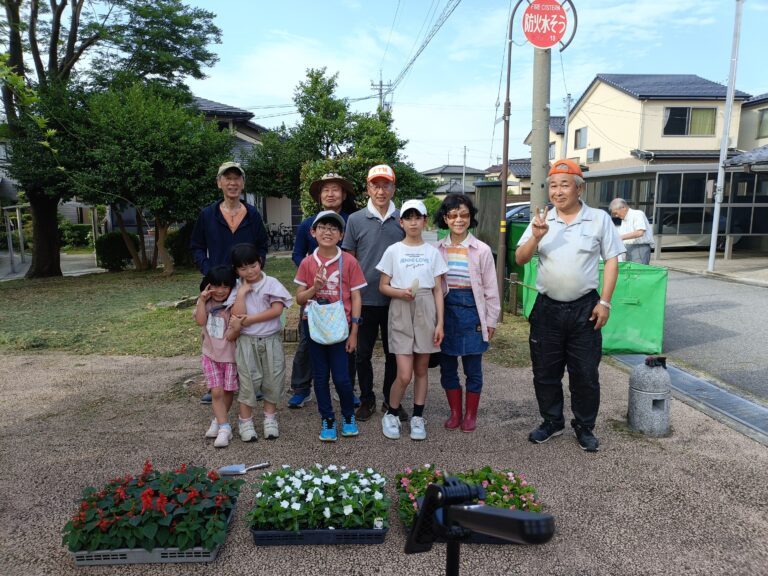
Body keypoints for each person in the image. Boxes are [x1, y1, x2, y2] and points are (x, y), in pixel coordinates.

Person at [515, 159, 625, 453]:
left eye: (564, 185)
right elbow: (521, 258)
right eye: (553, 185)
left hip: (585, 308)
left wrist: (605, 301)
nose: (558, 191)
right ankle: (552, 421)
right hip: (547, 308)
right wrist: (536, 237)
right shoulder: (541, 219)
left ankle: (584, 426)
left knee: (585, 372)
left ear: (579, 188)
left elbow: (612, 259)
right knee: (544, 371)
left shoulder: (599, 219)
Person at [190, 161, 269, 404]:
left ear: (243, 184)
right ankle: (215, 383)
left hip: (246, 285)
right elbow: (197, 246)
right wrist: (209, 271)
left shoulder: (253, 214)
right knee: (214, 333)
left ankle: (248, 382)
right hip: (217, 287)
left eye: (237, 178)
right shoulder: (208, 214)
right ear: (219, 183)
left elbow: (263, 247)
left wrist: (253, 273)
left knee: (245, 330)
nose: (232, 183)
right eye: (227, 178)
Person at [377, 199, 447, 441]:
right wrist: (401, 293)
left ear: (425, 221)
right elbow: (383, 286)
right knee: (404, 373)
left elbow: (438, 289)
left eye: (418, 217)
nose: (413, 222)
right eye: (409, 217)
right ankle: (392, 413)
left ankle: (418, 416)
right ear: (402, 222)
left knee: (421, 369)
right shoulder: (393, 251)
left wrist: (440, 323)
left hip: (427, 306)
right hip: (400, 307)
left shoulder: (432, 252)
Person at [295, 211, 367, 441]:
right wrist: (315, 287)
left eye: (334, 228)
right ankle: (327, 418)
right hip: (314, 326)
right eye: (323, 227)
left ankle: (348, 415)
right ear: (313, 232)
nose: (328, 232)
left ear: (341, 235)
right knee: (320, 376)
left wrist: (354, 331)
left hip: (341, 328)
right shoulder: (307, 262)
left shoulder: (349, 261)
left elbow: (356, 297)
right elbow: (299, 298)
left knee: (342, 378)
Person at [288, 173, 358, 409]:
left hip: (342, 293)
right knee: (308, 340)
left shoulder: (352, 221)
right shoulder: (309, 223)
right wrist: (310, 272)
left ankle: (346, 387)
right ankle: (301, 387)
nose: (330, 194)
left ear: (344, 194)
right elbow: (297, 253)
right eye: (325, 190)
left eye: (335, 189)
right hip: (313, 294)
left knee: (345, 341)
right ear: (319, 196)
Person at [342, 164, 406, 422]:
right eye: (375, 185)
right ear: (368, 188)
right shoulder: (355, 220)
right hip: (364, 298)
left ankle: (392, 401)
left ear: (393, 187)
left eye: (386, 185)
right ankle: (366, 399)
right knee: (362, 353)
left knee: (394, 352)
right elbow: (349, 259)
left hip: (396, 299)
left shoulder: (403, 219)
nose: (381, 191)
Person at [434, 194, 500, 433]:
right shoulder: (436, 249)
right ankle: (455, 412)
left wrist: (491, 320)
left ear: (470, 218)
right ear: (445, 218)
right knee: (448, 367)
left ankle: (470, 415)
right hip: (446, 311)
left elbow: (491, 288)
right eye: (453, 215)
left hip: (474, 313)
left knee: (473, 367)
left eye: (464, 215)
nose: (458, 220)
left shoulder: (481, 250)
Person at [226, 243, 293, 442]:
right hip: (246, 342)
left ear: (260, 262)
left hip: (271, 340)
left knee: (273, 378)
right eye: (243, 268)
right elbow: (236, 314)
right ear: (236, 270)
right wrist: (241, 293)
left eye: (253, 265)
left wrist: (249, 320)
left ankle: (270, 419)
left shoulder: (271, 283)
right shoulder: (237, 287)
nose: (250, 271)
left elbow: (276, 310)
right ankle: (245, 421)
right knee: (248, 381)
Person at [194, 265, 241, 448]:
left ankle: (218, 420)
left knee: (228, 391)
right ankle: (224, 427)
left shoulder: (233, 304)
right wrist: (201, 300)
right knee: (216, 391)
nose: (220, 291)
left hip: (230, 357)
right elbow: (200, 321)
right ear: (208, 285)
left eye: (225, 286)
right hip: (211, 355)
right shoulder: (207, 303)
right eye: (216, 286)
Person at [609, 198, 655, 265]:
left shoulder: (637, 214)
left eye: (616, 213)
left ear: (623, 207)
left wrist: (620, 237)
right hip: (629, 248)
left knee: (638, 272)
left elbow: (640, 232)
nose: (616, 216)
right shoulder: (624, 219)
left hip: (639, 247)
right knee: (631, 272)